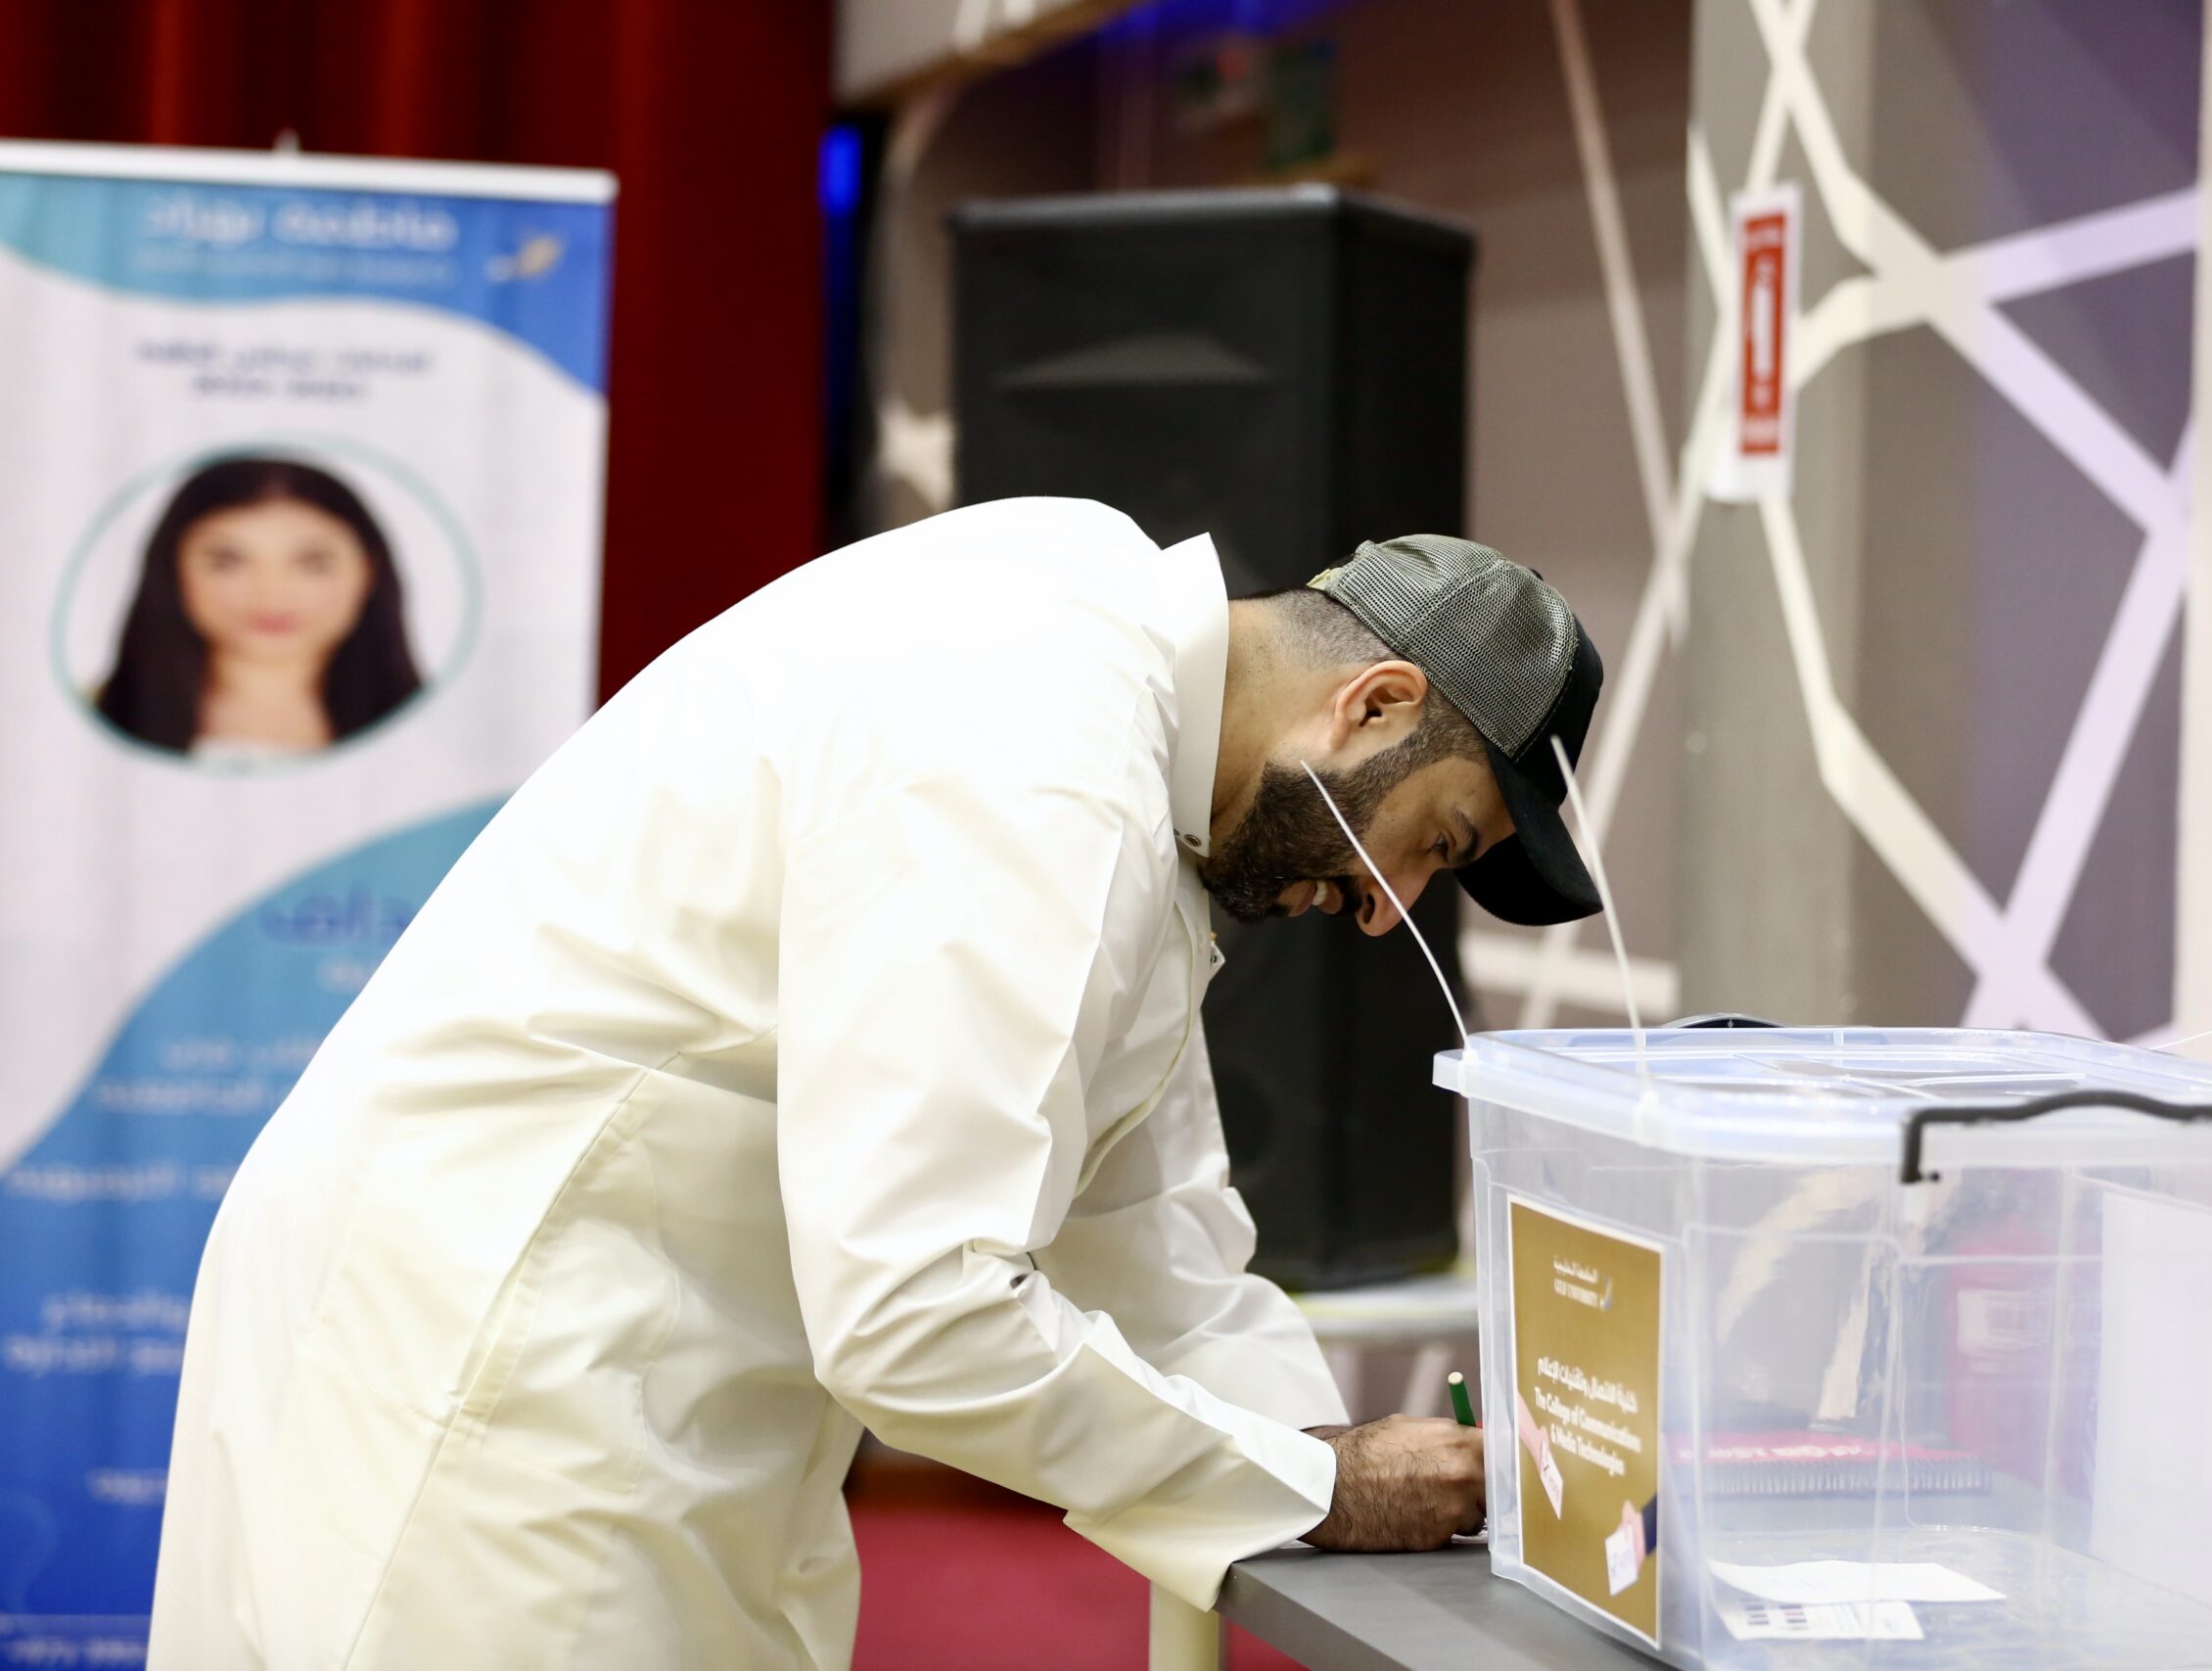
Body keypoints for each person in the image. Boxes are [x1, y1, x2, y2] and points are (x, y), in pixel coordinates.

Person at [151, 498, 1606, 1670]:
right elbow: (920, 1309)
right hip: (489, 1355)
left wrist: (1345, 1466)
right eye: (1435, 842)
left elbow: (1142, 1225)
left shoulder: (1107, 710)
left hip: (614, 1346)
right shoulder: (1034, 738)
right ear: (1374, 703)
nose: (1388, 911)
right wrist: (1314, 1483)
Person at [95, 455, 423, 761]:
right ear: (172, 568)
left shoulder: (437, 726)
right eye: (228, 561)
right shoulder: (86, 717)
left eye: (312, 563)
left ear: (368, 570)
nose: (271, 593)